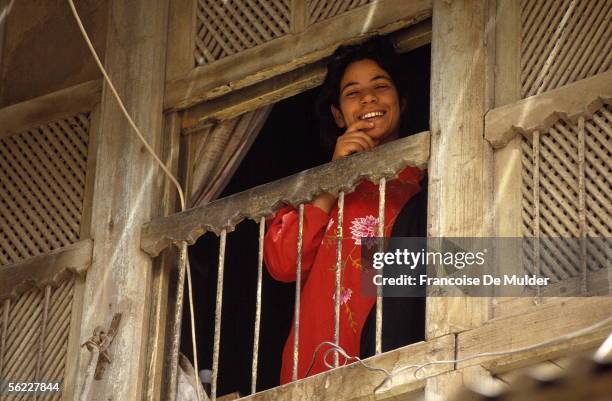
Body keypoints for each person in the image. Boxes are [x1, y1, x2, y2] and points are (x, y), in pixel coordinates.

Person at [263, 36, 425, 384]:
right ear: (338, 113)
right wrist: (332, 180)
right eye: (352, 92)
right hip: (317, 369)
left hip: (396, 364)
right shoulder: (312, 190)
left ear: (402, 101)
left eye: (381, 86)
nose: (368, 98)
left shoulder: (424, 183)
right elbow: (282, 263)